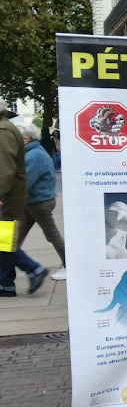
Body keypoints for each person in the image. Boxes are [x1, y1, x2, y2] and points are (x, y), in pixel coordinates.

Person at [0, 99, 49, 297]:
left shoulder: (3, 131)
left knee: (4, 240)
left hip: (7, 197)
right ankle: (6, 284)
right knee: (3, 241)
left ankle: (33, 268)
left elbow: (4, 169)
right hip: (9, 196)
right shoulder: (6, 128)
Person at [16, 123, 66, 279]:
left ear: (27, 138)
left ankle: (69, 266)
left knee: (52, 236)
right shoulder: (32, 153)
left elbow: (24, 183)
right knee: (14, 238)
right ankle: (6, 267)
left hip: (39, 203)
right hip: (33, 202)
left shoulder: (34, 155)